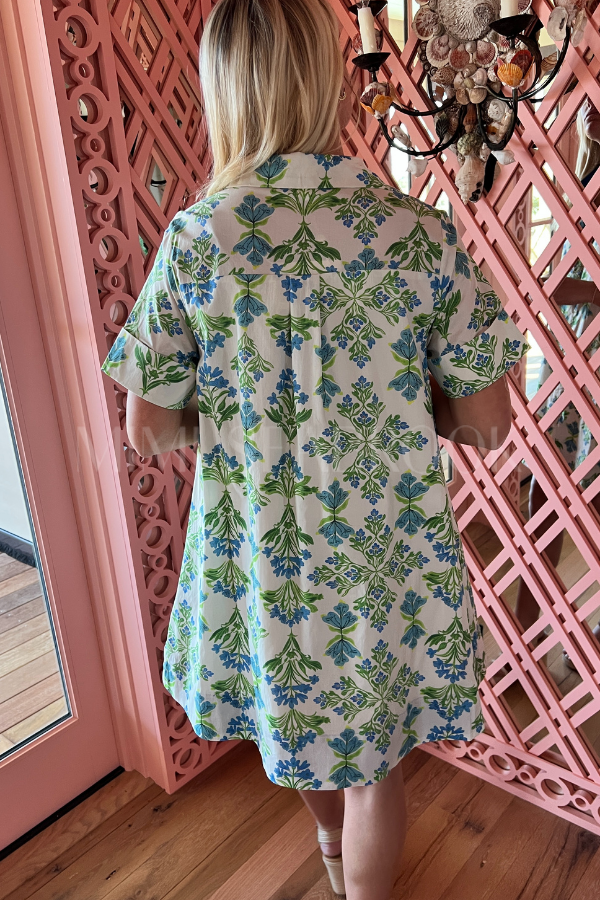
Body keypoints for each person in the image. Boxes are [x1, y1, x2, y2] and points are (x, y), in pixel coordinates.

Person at [101, 1, 527, 897]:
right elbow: (490, 422)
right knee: (374, 760)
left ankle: (332, 858)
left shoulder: (196, 242)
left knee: (296, 725)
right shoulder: (419, 235)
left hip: (266, 550)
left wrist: (238, 423)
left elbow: (146, 428)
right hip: (383, 547)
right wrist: (407, 410)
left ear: (226, 91)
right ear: (328, 79)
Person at [515, 100, 600, 663]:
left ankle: (582, 641)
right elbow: (551, 282)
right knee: (545, 501)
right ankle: (525, 639)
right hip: (568, 364)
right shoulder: (580, 195)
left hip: (586, 366)